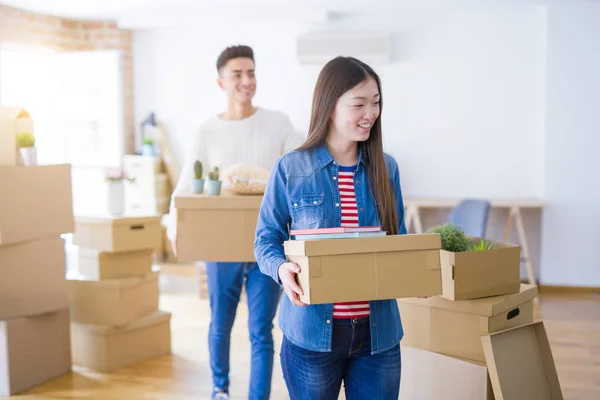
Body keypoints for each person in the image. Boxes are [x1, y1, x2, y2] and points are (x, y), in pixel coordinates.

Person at [254, 56, 407, 400]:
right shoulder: (290, 168)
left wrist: (415, 271)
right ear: (330, 105)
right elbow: (265, 240)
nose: (371, 113)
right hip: (310, 337)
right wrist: (282, 268)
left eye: (376, 103)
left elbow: (399, 241)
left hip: (377, 338)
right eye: (359, 104)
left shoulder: (387, 169)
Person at [167, 45, 302, 400]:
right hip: (221, 242)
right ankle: (220, 390)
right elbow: (184, 185)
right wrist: (174, 227)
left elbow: (300, 169)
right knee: (220, 322)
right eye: (237, 74)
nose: (247, 81)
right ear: (221, 82)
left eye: (251, 73)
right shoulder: (207, 131)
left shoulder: (278, 123)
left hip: (268, 243)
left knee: (261, 328)